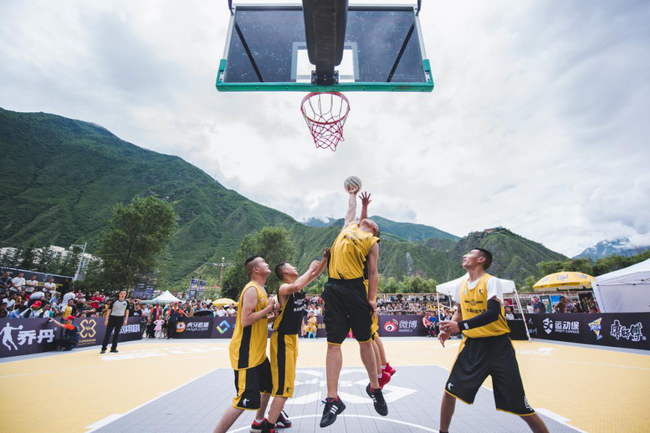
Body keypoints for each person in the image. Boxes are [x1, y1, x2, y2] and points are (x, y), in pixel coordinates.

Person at [438, 248, 549, 433]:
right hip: (472, 346)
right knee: (450, 391)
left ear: (481, 259)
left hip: (499, 346)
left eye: (470, 253)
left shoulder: (491, 282)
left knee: (521, 405)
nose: (465, 256)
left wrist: (461, 327)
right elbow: (459, 310)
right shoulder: (461, 285)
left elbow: (492, 314)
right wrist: (450, 327)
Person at [320, 188, 387, 428]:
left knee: (365, 340)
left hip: (355, 289)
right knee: (333, 344)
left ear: (375, 230)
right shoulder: (349, 227)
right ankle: (332, 399)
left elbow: (373, 272)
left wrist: (371, 299)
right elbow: (352, 210)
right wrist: (353, 193)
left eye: (370, 221)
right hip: (333, 288)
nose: (366, 219)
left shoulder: (372, 241)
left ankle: (375, 389)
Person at [265, 250, 329, 431]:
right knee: (284, 387)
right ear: (285, 272)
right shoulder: (284, 288)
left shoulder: (298, 285)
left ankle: (276, 415)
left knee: (287, 382)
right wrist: (310, 268)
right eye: (291, 266)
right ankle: (268, 425)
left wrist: (324, 260)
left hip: (292, 339)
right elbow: (304, 278)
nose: (295, 267)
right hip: (282, 339)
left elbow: (315, 274)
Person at [213, 256, 277, 433]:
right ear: (256, 269)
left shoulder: (261, 289)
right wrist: (268, 309)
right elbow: (246, 320)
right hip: (245, 353)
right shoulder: (251, 289)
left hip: (258, 353)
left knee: (269, 386)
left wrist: (274, 316)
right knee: (242, 401)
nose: (267, 263)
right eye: (264, 262)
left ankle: (258, 422)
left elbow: (261, 320)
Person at [101, 290, 129, 354]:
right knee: (108, 334)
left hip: (120, 318)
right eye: (121, 293)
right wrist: (106, 319)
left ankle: (113, 348)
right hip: (113, 318)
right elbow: (109, 310)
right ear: (119, 294)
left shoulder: (126, 302)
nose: (123, 294)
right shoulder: (114, 301)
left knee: (116, 334)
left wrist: (126, 319)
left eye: (124, 293)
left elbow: (127, 311)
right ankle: (103, 348)